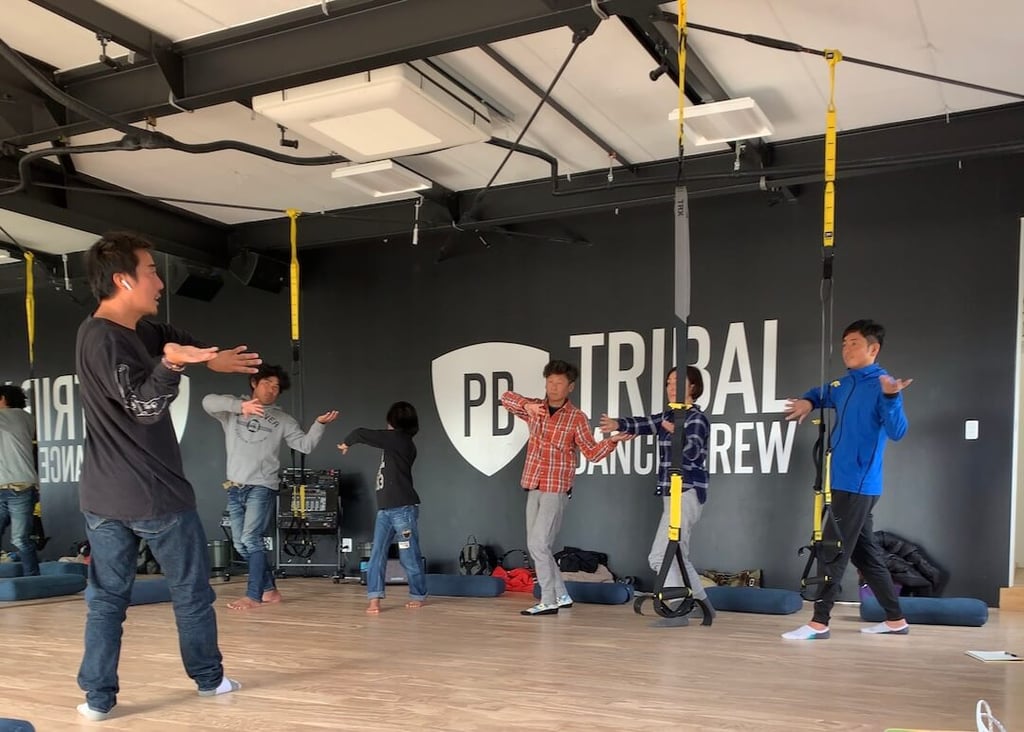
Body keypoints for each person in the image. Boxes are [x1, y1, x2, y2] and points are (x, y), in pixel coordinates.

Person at [75, 231, 259, 720]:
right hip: (153, 494)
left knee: (107, 600)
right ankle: (208, 680)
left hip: (105, 495)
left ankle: (97, 701)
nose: (159, 282)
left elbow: (174, 339)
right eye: (151, 271)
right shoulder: (103, 340)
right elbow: (144, 407)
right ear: (123, 279)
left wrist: (209, 357)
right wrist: (172, 365)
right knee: (186, 593)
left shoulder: (135, 329)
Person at [781, 319, 911, 640]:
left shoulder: (883, 385)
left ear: (873, 349)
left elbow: (898, 431)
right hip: (842, 482)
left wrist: (892, 398)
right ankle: (895, 620)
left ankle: (819, 622)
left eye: (854, 343)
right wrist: (809, 401)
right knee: (865, 554)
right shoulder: (844, 384)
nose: (846, 349)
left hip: (859, 484)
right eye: (844, 344)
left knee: (831, 549)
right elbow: (820, 393)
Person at [500, 359, 631, 616]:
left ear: (570, 387)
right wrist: (526, 405)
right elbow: (506, 397)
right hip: (533, 483)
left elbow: (592, 453)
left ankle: (548, 599)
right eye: (550, 382)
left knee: (539, 544)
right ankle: (561, 595)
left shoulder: (576, 418)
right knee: (537, 546)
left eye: (559, 383)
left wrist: (613, 441)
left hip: (556, 487)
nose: (553, 387)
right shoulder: (535, 407)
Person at [202, 365, 338, 610]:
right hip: (234, 487)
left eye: (276, 387)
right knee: (241, 544)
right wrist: (239, 406)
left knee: (250, 539)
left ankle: (253, 596)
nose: (272, 390)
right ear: (254, 382)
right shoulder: (233, 410)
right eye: (267, 383)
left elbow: (305, 445)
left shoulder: (283, 420)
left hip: (262, 486)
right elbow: (207, 402)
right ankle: (269, 590)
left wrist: (319, 424)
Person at [599, 366, 712, 619]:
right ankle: (703, 608)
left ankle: (678, 609)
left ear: (692, 387)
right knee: (678, 556)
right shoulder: (670, 415)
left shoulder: (696, 419)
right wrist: (618, 424)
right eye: (668, 382)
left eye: (677, 382)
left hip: (686, 492)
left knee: (661, 556)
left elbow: (694, 453)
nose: (671, 387)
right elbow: (645, 423)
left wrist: (678, 435)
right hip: (672, 493)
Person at [337, 402, 426, 614]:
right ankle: (374, 598)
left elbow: (361, 433)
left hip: (402, 509)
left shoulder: (399, 440)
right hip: (386, 510)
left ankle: (417, 594)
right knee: (377, 553)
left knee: (409, 555)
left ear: (394, 422)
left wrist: (346, 443)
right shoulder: (396, 442)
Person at [0, 384, 39, 577]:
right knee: (21, 539)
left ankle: (33, 578)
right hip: (17, 486)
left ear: (3, 399)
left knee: (20, 539)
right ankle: (32, 577)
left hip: (18, 488)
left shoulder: (15, 416)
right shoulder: (25, 418)